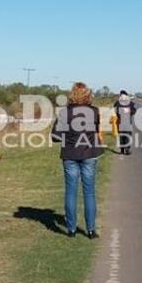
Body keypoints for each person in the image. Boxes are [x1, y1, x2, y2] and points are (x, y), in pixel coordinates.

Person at [51, 82, 104, 239]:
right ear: (88, 95)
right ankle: (91, 230)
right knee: (89, 192)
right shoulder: (94, 112)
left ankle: (72, 229)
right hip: (89, 153)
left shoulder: (65, 113)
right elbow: (95, 130)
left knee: (71, 191)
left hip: (70, 154)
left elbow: (55, 136)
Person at [114, 90, 137, 154]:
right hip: (127, 121)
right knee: (127, 135)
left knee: (121, 135)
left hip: (121, 121)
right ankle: (127, 149)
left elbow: (116, 111)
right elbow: (134, 111)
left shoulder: (118, 102)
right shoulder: (129, 102)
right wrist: (128, 112)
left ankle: (122, 150)